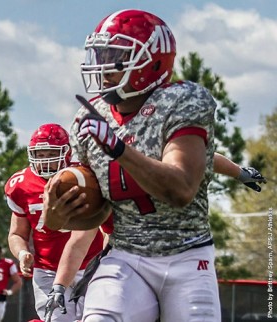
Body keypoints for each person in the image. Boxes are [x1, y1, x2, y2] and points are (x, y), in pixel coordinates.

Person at [42, 9, 266, 321]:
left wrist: (119, 148)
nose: (103, 65)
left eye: (116, 56)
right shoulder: (89, 117)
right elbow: (100, 209)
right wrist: (57, 219)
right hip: (126, 256)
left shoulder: (181, 101)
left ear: (152, 62)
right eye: (101, 54)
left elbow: (181, 188)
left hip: (187, 256)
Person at [5, 123, 108, 322]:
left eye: (50, 153)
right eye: (39, 154)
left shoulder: (83, 178)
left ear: (66, 152)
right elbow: (17, 233)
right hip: (47, 270)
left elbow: (102, 225)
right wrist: (22, 252)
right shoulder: (21, 185)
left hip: (90, 266)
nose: (44, 160)